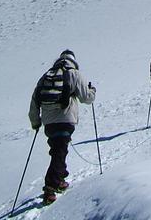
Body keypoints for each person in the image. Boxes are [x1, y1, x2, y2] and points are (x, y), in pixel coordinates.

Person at [28, 50, 96, 204]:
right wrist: (93, 91)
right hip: (65, 119)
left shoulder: (46, 76)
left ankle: (59, 178)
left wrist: (35, 122)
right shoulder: (74, 74)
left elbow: (35, 100)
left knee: (58, 150)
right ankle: (51, 187)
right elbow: (86, 97)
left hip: (48, 122)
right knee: (59, 151)